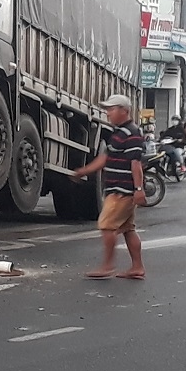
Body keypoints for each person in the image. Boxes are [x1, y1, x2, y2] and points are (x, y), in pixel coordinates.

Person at [72, 94, 146, 280]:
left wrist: (138, 190)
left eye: (112, 109)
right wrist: (84, 171)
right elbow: (105, 158)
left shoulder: (131, 133)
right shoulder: (119, 133)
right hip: (118, 188)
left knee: (107, 225)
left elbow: (135, 163)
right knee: (128, 229)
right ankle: (137, 267)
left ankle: (107, 266)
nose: (108, 113)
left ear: (124, 111)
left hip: (122, 190)